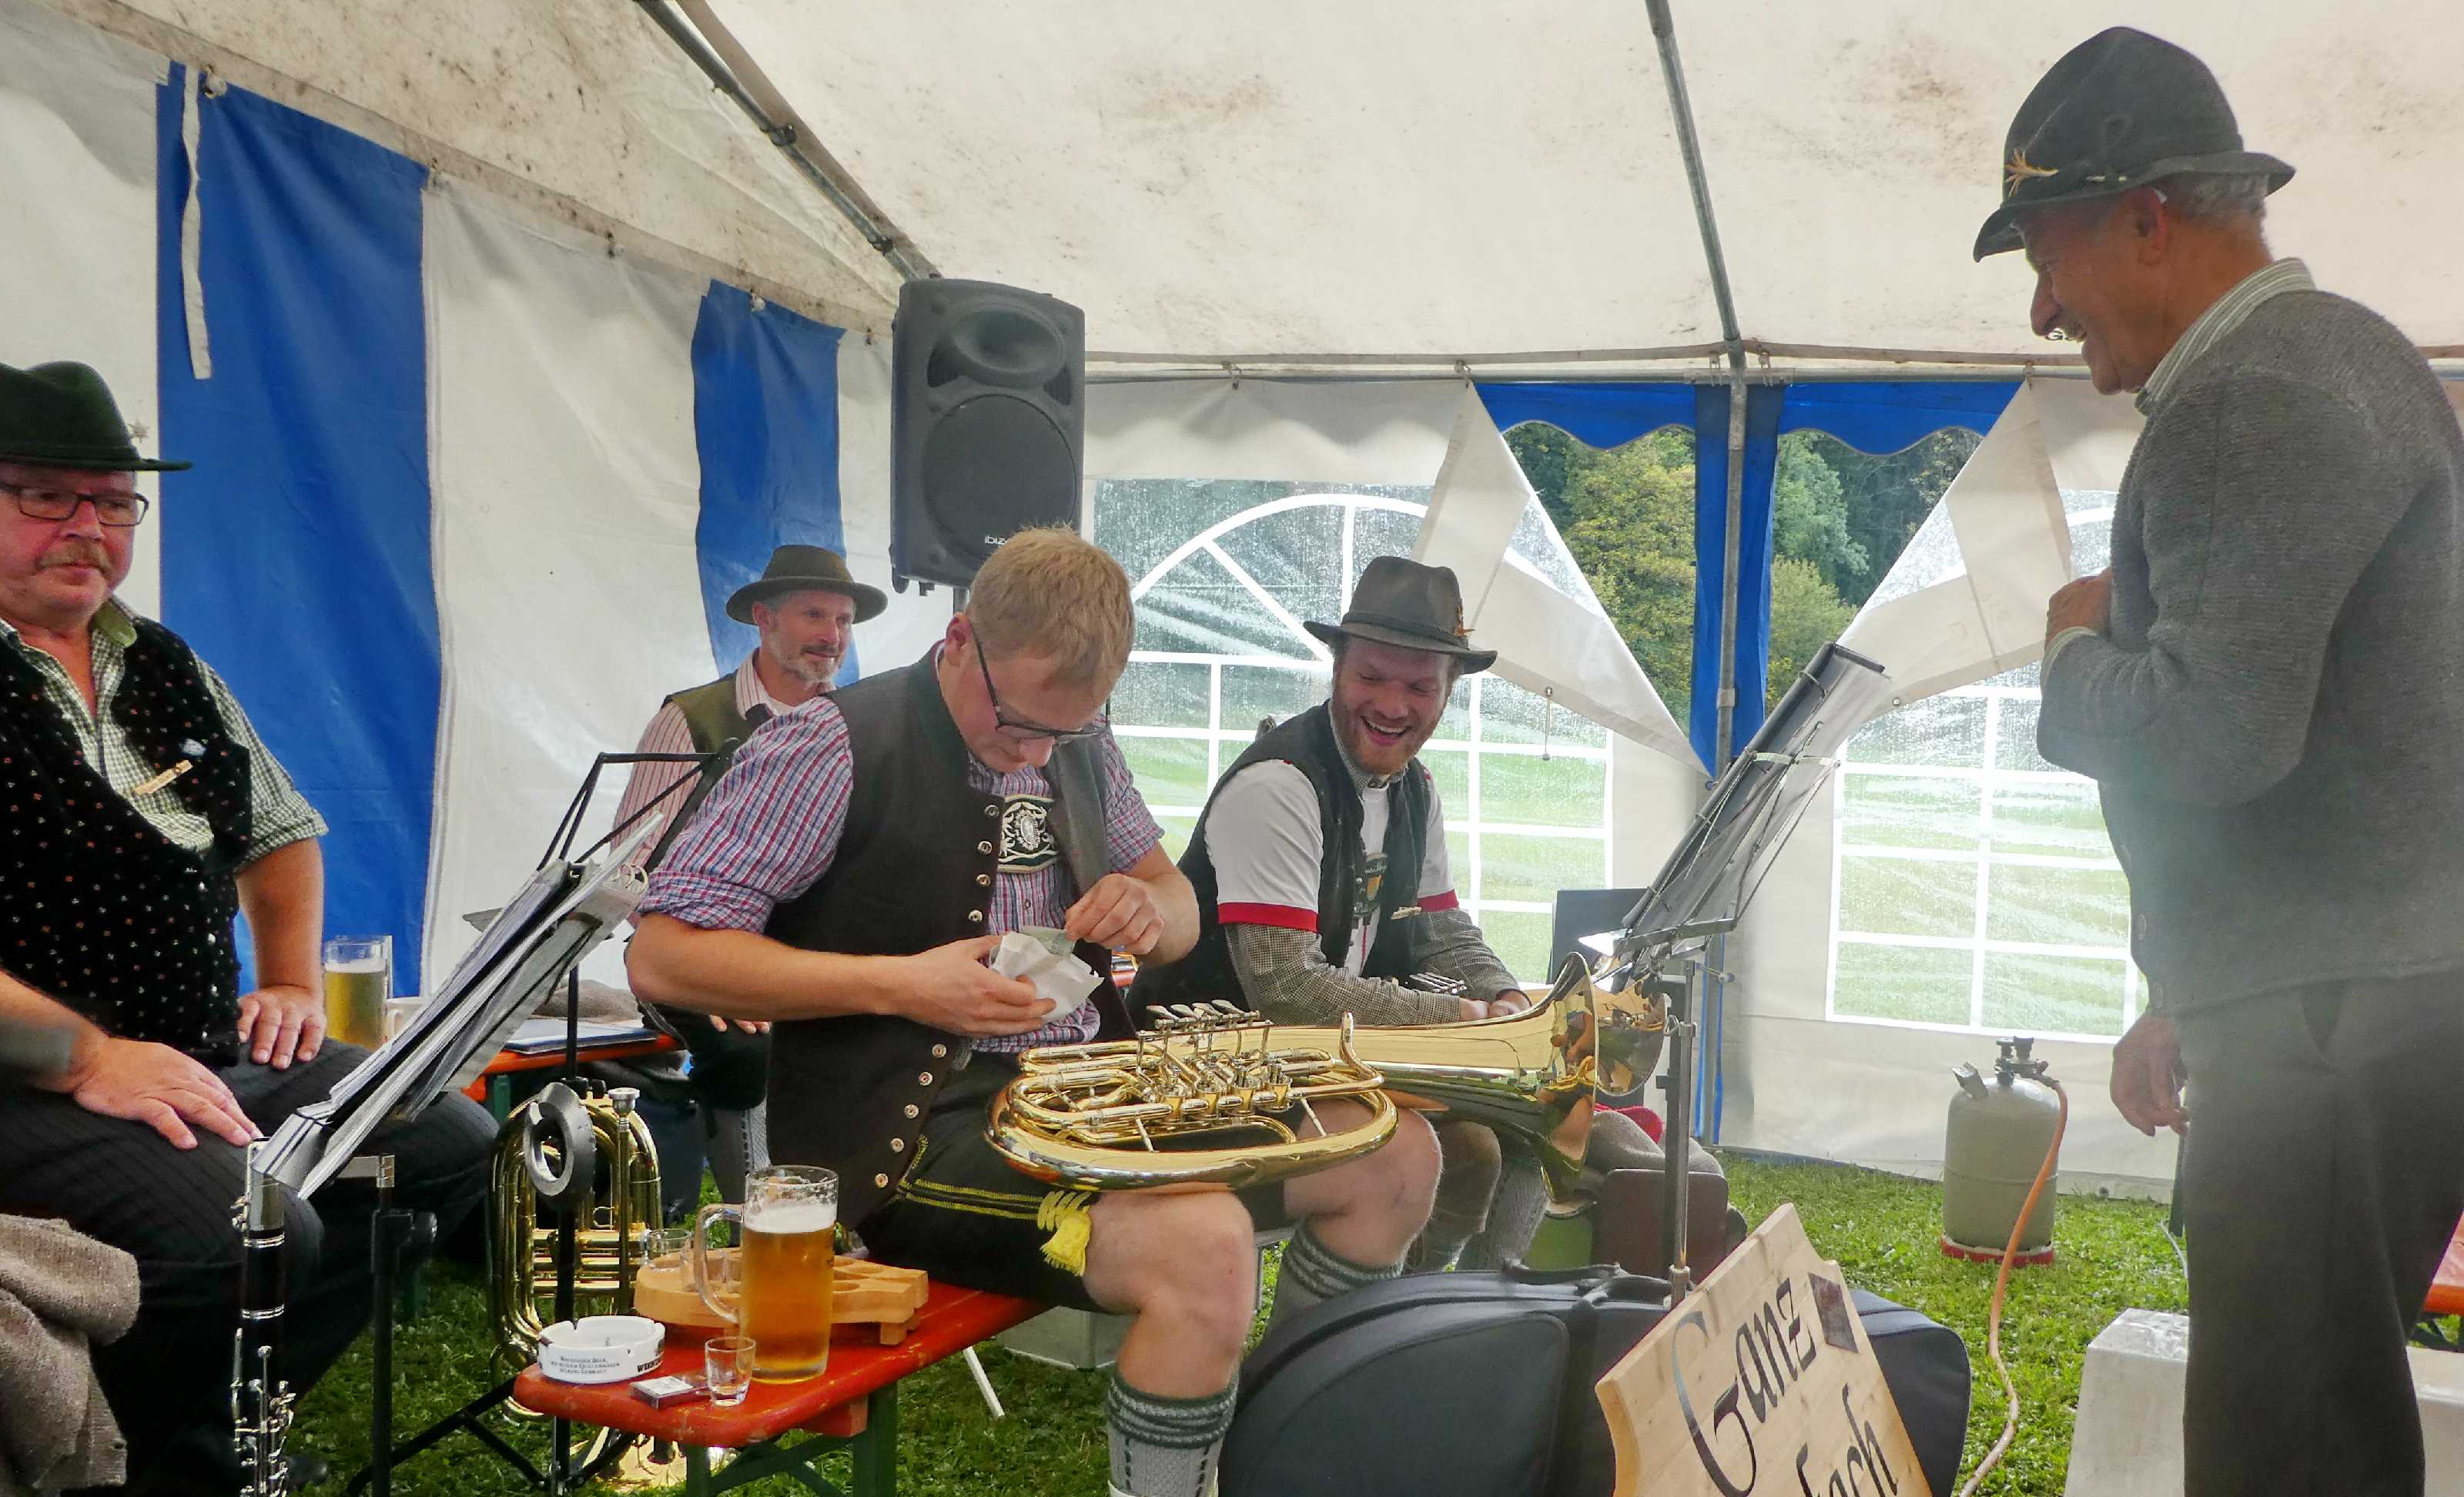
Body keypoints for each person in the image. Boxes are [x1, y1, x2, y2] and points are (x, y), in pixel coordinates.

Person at [628, 527, 1439, 1497]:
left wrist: (1150, 908)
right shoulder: (827, 742)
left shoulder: (1078, 740)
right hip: (909, 1132)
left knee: (1393, 1153)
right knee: (1202, 1245)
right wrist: (899, 984)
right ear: (958, 640)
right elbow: (664, 953)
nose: (1035, 751)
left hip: (1092, 1092)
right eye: (1017, 722)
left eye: (1064, 729)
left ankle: (1287, 1450)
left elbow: (1177, 907)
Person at [1978, 30, 2464, 1497]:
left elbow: (2217, 730)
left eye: (2049, 254)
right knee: (2321, 1418)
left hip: (2325, 1024)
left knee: (2286, 1452)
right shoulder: (2346, 359)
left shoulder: (2254, 395)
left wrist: (2070, 654)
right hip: (2350, 996)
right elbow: (2346, 735)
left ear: (2148, 218)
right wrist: (2187, 985)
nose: (2044, 306)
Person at [0, 361, 494, 1495]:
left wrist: (291, 984)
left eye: (113, 502)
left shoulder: (162, 661)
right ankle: (101, 1461)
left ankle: (212, 1432)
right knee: (241, 1228)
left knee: (438, 1145)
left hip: (194, 1046)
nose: (88, 528)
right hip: (23, 1080)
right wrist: (88, 1058)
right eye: (47, 497)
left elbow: (280, 832)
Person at [1131, 556, 1544, 1271]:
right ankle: (1341, 1331)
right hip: (1202, 1079)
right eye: (1371, 678)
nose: (1393, 705)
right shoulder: (1279, 785)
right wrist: (1470, 1022)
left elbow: (1441, 931)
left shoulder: (1416, 787)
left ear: (1448, 693)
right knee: (1440, 1153)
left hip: (1305, 1063)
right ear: (1336, 669)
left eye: (1419, 687)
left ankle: (1422, 1312)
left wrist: (1508, 1000)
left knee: (1493, 1149)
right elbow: (1287, 989)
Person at [608, 544, 886, 1206]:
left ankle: (864, 1202)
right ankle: (758, 1214)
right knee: (742, 1050)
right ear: (764, 619)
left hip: (813, 949)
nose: (832, 635)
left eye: (843, 620)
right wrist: (706, 966)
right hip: (695, 943)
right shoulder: (692, 718)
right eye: (814, 615)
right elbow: (626, 869)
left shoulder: (861, 724)